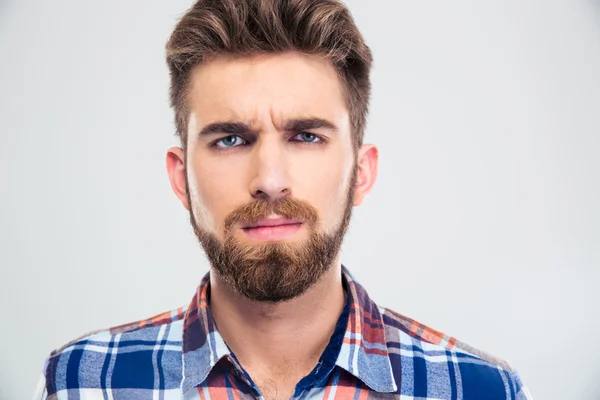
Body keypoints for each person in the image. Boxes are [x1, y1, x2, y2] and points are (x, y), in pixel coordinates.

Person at [34, 0, 532, 399]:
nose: (270, 180)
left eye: (306, 137)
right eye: (230, 139)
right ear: (181, 178)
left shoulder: (483, 391)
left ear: (361, 172)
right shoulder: (80, 383)